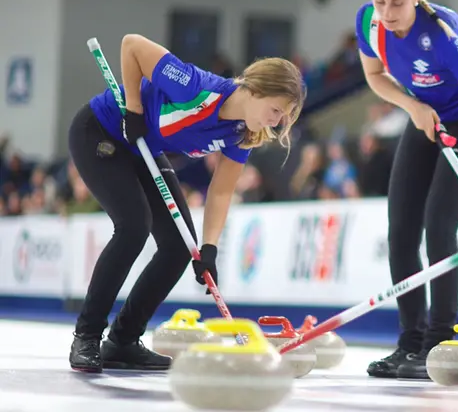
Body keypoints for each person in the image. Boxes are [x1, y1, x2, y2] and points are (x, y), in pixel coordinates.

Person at [68, 34, 305, 373]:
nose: (278, 122)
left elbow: (220, 192)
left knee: (180, 247)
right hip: (102, 131)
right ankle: (87, 336)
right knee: (134, 227)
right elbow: (132, 45)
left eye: (285, 116)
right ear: (255, 89)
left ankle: (122, 341)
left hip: (143, 149)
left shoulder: (242, 134)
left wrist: (209, 248)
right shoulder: (195, 87)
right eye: (276, 110)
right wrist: (134, 108)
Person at [356, 0, 458, 380]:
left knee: (439, 228)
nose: (386, 13)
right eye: (379, 2)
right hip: (424, 116)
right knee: (401, 231)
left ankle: (438, 344)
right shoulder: (369, 22)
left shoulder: (445, 35)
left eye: (397, 3)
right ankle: (410, 342)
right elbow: (375, 76)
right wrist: (412, 106)